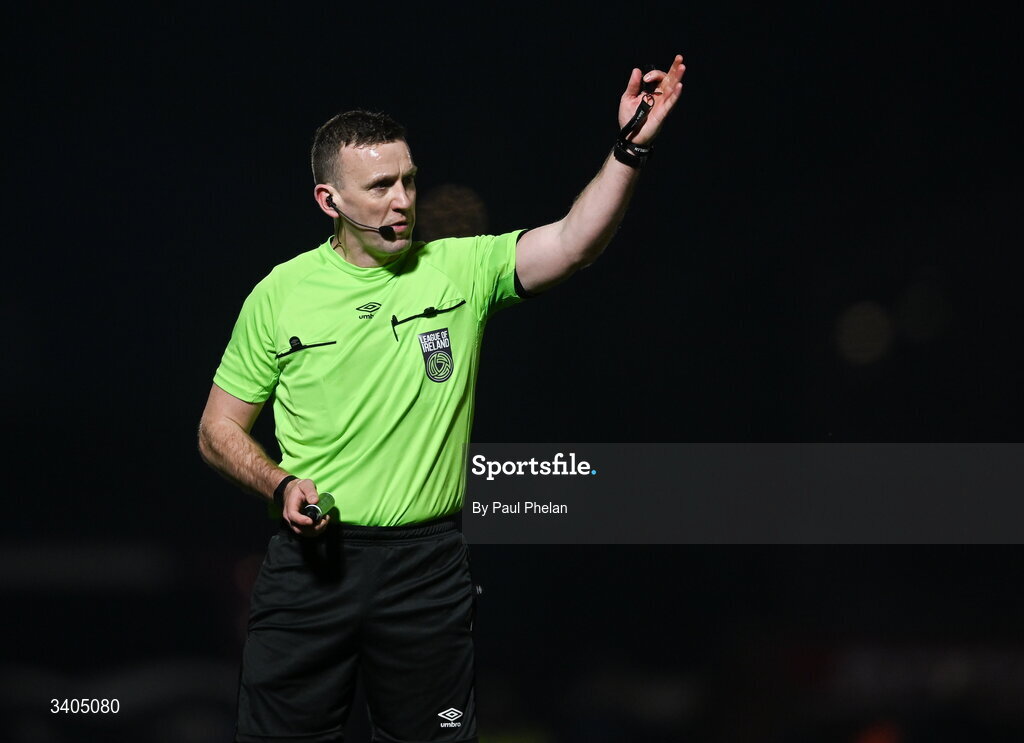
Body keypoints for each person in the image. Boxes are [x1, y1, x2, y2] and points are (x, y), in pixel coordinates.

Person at [198, 54, 686, 743]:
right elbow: (218, 427)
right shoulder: (280, 294)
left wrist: (630, 146)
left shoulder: (460, 266)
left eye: (407, 181)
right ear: (327, 201)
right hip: (312, 568)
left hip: (425, 571)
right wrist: (278, 483)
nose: (401, 200)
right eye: (378, 187)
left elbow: (574, 242)